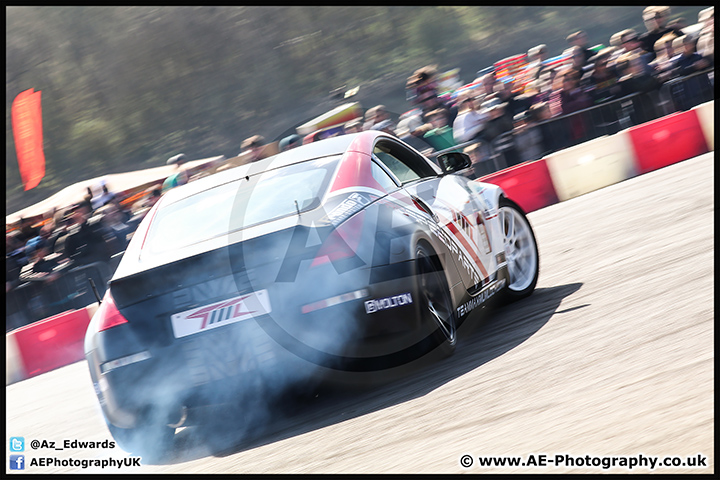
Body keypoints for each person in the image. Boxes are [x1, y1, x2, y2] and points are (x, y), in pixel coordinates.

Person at [63, 202, 112, 266]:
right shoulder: (72, 234)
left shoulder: (95, 223)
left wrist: (83, 222)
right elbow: (70, 253)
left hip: (102, 260)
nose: (77, 214)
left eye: (79, 211)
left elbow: (99, 237)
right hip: (88, 264)